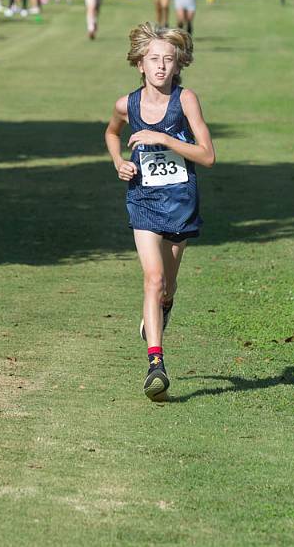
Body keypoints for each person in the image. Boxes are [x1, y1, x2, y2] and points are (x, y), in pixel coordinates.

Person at [104, 24, 215, 401]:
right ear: (140, 64)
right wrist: (118, 160)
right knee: (151, 279)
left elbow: (208, 156)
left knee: (167, 284)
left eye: (169, 59)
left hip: (181, 200)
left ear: (178, 64)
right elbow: (111, 132)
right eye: (154, 60)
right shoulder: (127, 104)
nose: (162, 67)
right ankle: (156, 365)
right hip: (143, 199)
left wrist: (164, 138)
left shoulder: (186, 101)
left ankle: (165, 305)